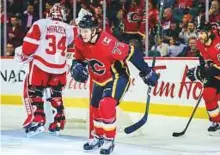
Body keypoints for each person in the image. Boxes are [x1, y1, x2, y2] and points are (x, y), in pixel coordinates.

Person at [70, 14, 159, 154]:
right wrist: (76, 66)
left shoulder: (107, 43)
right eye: (81, 30)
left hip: (117, 76)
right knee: (95, 108)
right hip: (99, 78)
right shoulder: (79, 41)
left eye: (86, 31)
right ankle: (98, 136)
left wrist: (146, 71)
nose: (82, 34)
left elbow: (132, 53)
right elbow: (79, 58)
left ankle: (109, 140)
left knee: (106, 105)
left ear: (95, 30)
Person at [14, 3, 75, 137]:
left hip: (41, 64)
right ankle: (58, 122)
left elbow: (28, 46)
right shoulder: (68, 28)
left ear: (49, 14)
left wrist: (24, 54)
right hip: (59, 66)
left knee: (35, 92)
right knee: (56, 94)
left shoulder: (41, 24)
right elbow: (70, 41)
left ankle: (38, 119)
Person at [187, 22, 220, 134]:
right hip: (214, 73)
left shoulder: (218, 45)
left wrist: (203, 72)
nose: (199, 36)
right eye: (198, 33)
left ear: (209, 33)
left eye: (202, 33)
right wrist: (201, 70)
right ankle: (216, 122)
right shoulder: (200, 42)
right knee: (208, 95)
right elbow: (204, 58)